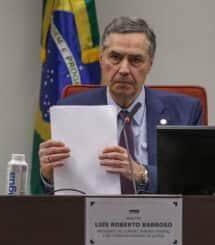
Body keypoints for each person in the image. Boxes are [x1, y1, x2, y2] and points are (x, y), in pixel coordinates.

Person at [38, 16, 203, 194]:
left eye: (135, 60)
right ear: (101, 60)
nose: (124, 69)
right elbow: (62, 192)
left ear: (150, 65)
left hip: (161, 217)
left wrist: (141, 173)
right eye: (115, 58)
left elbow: (196, 180)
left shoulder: (185, 111)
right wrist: (49, 176)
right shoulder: (71, 110)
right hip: (92, 216)